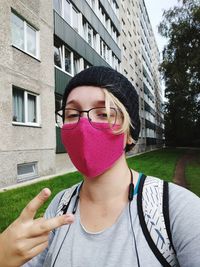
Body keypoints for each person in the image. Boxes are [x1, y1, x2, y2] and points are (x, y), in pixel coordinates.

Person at [0, 66, 200, 267]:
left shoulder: (178, 210)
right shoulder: (59, 205)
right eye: (72, 114)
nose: (84, 125)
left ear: (129, 132)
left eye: (104, 113)